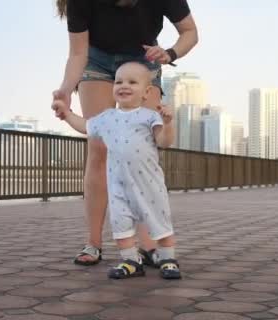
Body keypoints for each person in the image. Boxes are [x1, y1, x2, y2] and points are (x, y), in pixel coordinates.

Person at [52, 0, 198, 267]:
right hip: (96, 61)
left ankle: (149, 245)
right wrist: (64, 90)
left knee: (143, 149)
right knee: (99, 148)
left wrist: (171, 53)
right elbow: (77, 54)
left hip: (143, 63)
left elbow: (190, 32)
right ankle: (93, 243)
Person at [53, 61, 181, 279]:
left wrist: (168, 123)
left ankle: (168, 258)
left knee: (158, 219)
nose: (124, 85)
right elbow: (85, 126)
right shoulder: (107, 118)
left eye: (132, 82)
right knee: (121, 225)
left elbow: (164, 141)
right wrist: (67, 114)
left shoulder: (149, 116)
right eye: (119, 81)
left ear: (146, 92)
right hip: (118, 185)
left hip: (148, 183)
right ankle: (131, 260)